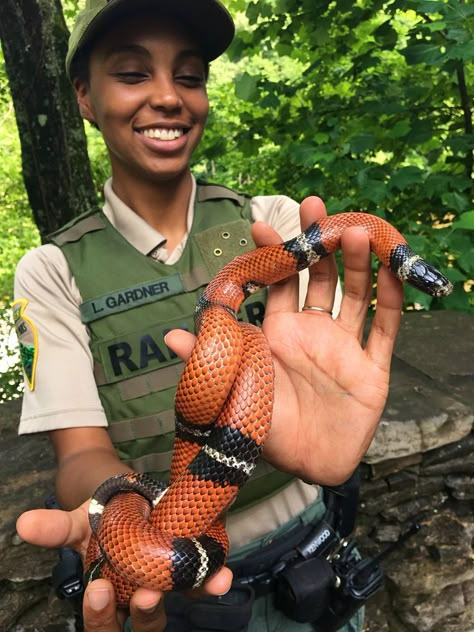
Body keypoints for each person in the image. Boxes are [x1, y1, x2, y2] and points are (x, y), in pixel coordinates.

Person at [13, 1, 404, 631]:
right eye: (134, 74)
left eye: (189, 76)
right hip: (175, 585)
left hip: (311, 560)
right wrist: (126, 507)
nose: (168, 96)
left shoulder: (271, 223)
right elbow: (79, 454)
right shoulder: (50, 272)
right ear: (84, 97)